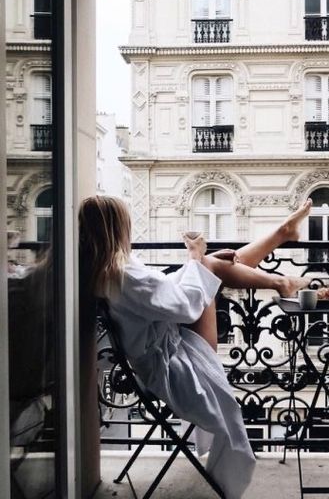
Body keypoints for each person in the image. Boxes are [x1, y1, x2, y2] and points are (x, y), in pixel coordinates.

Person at [79, 195, 313, 499]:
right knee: (209, 265)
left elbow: (164, 294)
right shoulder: (124, 275)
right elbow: (186, 306)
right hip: (175, 365)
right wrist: (195, 258)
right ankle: (281, 272)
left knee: (211, 264)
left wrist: (199, 262)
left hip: (164, 349)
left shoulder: (108, 270)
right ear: (119, 228)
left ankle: (281, 250)